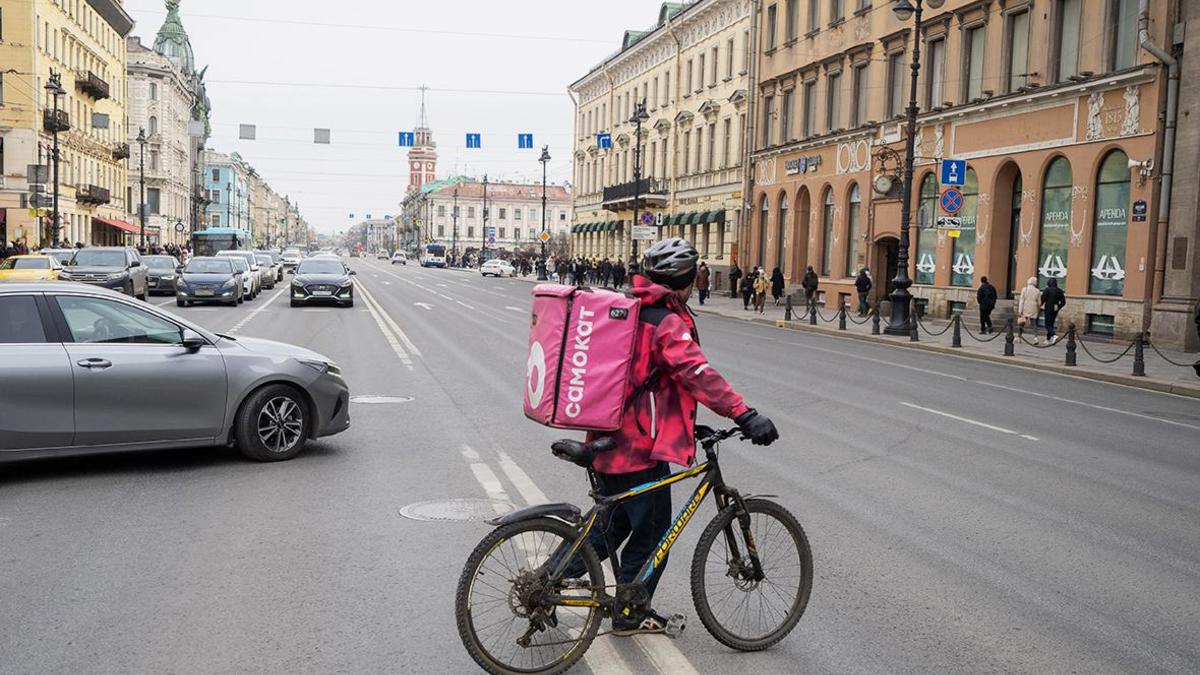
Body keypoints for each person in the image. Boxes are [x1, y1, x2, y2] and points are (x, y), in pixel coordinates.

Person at [572, 237, 778, 635]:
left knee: (610, 530)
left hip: (606, 436)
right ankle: (630, 614)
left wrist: (684, 421)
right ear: (685, 280)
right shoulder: (665, 321)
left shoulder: (630, 309)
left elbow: (650, 381)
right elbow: (696, 373)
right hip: (638, 448)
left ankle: (546, 580)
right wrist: (744, 414)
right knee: (652, 537)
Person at [1041, 278, 1066, 344]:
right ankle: (1048, 339)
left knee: (1047, 324)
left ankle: (1054, 335)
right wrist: (1058, 307)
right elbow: (1063, 302)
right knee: (1051, 323)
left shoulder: (1047, 290)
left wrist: (1040, 305)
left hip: (1048, 308)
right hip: (1055, 308)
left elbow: (1043, 298)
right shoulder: (1059, 291)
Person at [1017, 277, 1042, 343]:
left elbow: (1021, 300)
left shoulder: (1024, 289)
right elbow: (1039, 302)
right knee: (1034, 324)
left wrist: (1020, 310)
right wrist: (1038, 307)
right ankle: (1036, 338)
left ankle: (1019, 337)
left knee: (1022, 323)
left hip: (1025, 307)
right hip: (1033, 308)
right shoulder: (1037, 291)